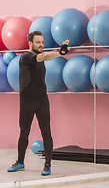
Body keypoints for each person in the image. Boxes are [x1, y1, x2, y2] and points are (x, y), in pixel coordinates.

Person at [7, 30, 69, 176]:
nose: (41, 44)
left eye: (42, 42)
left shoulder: (39, 58)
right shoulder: (25, 57)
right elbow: (44, 56)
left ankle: (47, 165)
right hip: (26, 102)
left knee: (46, 133)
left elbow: (44, 56)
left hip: (42, 100)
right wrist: (60, 52)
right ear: (30, 43)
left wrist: (60, 52)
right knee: (24, 133)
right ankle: (20, 162)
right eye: (38, 42)